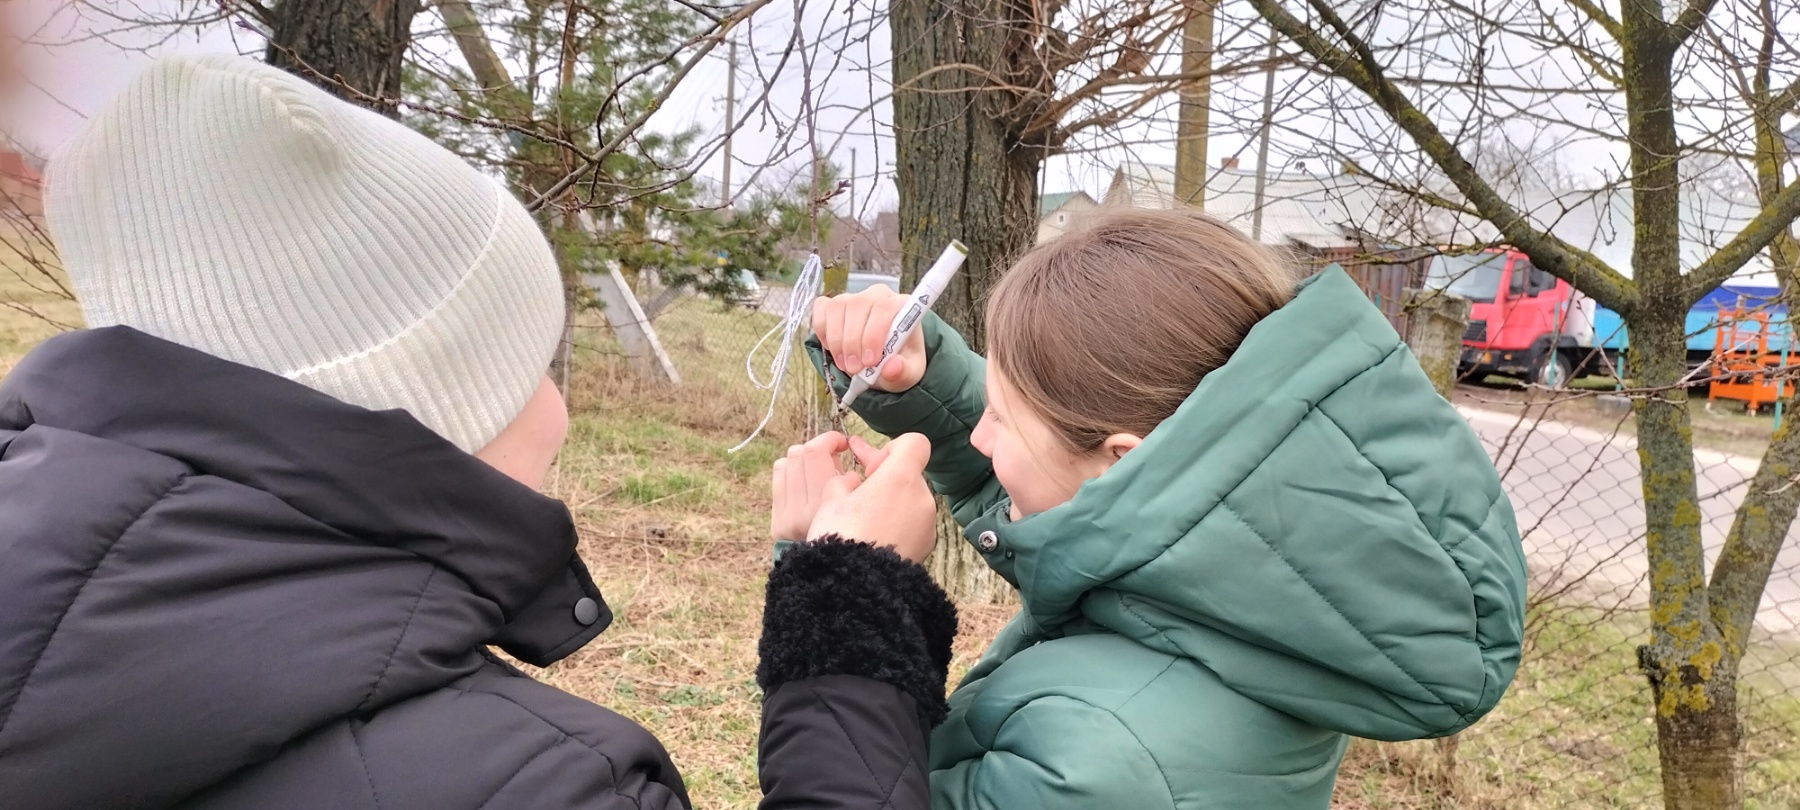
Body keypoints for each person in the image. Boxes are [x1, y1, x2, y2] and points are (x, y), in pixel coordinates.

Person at [0, 54, 688, 809]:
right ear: (442, 409)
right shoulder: (545, 787)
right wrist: (799, 634)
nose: (558, 407)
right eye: (533, 364)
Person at [755, 208, 1529, 808]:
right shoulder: (1277, 579)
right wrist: (920, 380)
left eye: (1000, 415)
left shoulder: (1103, 763)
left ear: (1124, 461)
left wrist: (840, 588)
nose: (980, 437)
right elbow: (1085, 515)